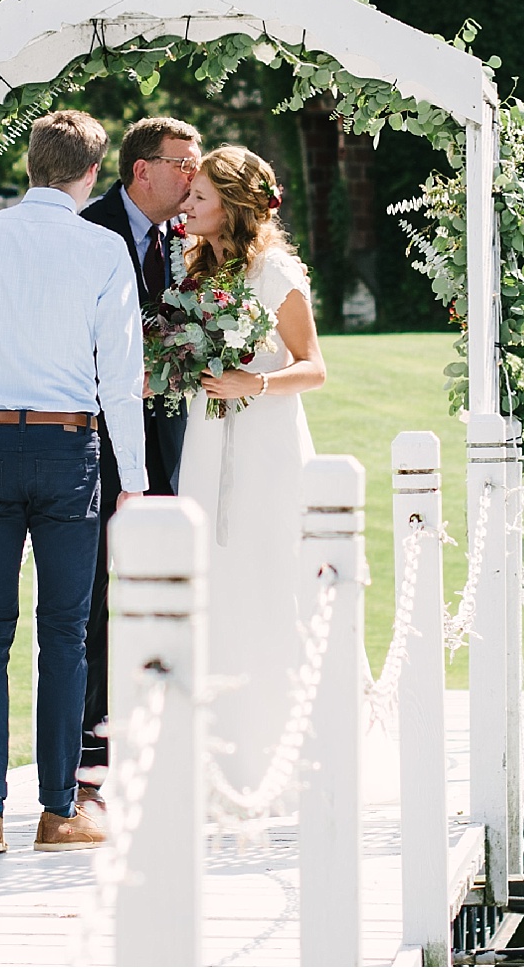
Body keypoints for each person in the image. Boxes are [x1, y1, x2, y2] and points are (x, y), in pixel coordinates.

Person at [0, 109, 147, 857]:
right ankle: (57, 812)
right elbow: (120, 374)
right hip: (67, 448)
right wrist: (136, 481)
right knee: (65, 635)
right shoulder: (105, 247)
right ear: (92, 174)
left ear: (30, 164)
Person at [172, 146, 328, 796]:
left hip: (267, 450)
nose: (187, 206)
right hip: (206, 449)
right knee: (211, 586)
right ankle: (214, 764)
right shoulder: (196, 269)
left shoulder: (275, 273)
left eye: (199, 197)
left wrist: (253, 382)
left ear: (232, 205)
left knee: (268, 586)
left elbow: (314, 366)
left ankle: (279, 760)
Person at [74, 115, 200, 819]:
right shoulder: (88, 231)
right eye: (183, 163)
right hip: (95, 442)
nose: (194, 176)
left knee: (169, 587)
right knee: (93, 595)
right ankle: (93, 751)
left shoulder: (193, 238)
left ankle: (162, 728)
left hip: (177, 443)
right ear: (141, 169)